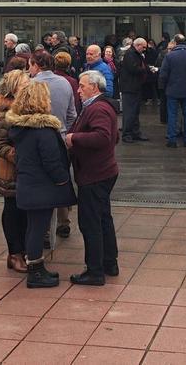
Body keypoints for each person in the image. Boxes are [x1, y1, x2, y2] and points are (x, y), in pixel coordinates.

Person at [7, 83, 76, 288]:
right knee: (38, 228)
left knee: (32, 227)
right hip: (42, 187)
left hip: (28, 184)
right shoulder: (44, 130)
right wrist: (62, 179)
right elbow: (51, 161)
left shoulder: (20, 128)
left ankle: (35, 266)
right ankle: (35, 272)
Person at [66, 70, 120, 285]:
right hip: (101, 171)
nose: (78, 90)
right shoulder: (98, 106)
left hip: (95, 174)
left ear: (94, 87)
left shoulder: (98, 108)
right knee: (103, 218)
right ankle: (109, 262)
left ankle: (95, 271)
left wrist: (74, 138)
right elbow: (113, 136)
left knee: (90, 222)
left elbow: (104, 136)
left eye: (82, 86)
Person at [29, 51, 77, 239]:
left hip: (37, 139)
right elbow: (72, 114)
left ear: (36, 65)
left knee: (42, 183)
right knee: (62, 179)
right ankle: (64, 222)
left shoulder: (31, 85)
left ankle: (45, 229)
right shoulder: (65, 83)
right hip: (61, 138)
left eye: (30, 65)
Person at [0, 70, 31, 273]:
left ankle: (23, 251)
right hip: (12, 171)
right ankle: (14, 253)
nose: (29, 85)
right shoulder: (4, 108)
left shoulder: (28, 105)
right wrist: (21, 155)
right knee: (13, 211)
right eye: (25, 83)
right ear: (15, 86)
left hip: (27, 170)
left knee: (25, 212)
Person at [158, 34, 186, 148]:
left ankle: (172, 140)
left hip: (172, 90)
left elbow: (163, 74)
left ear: (175, 43)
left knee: (172, 115)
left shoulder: (170, 56)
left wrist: (165, 86)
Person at [117, 37, 150, 143]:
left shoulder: (136, 54)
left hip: (135, 86)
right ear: (138, 45)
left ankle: (135, 132)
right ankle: (127, 134)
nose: (144, 49)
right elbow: (133, 68)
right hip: (129, 87)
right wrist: (146, 69)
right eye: (143, 47)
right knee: (129, 112)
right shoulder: (130, 54)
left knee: (135, 111)